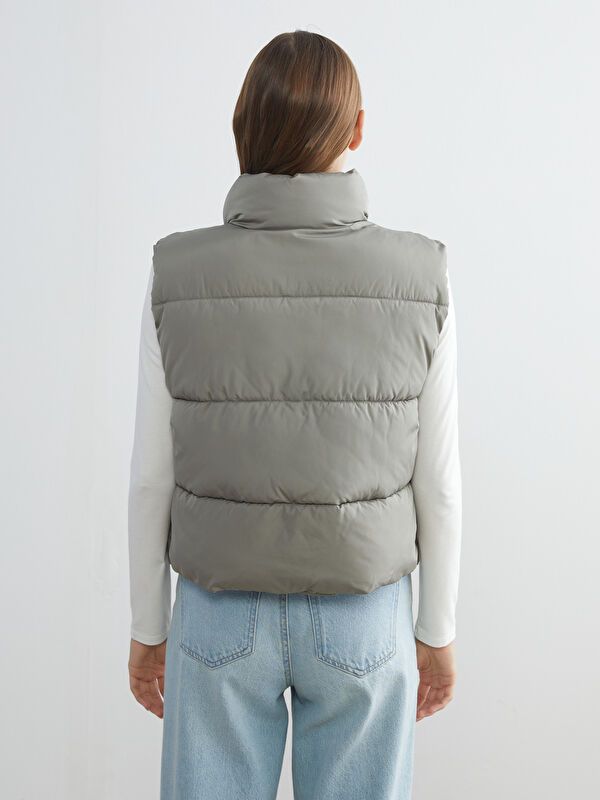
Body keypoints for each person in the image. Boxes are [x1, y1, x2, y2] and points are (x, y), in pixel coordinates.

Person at [127, 30, 462, 800]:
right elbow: (439, 482)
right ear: (357, 130)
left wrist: (149, 627)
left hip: (218, 613)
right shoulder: (423, 273)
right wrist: (436, 630)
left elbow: (150, 475)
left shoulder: (175, 271)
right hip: (362, 614)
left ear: (244, 128)